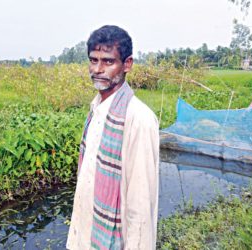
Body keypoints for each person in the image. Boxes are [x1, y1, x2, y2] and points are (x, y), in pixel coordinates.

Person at [66, 25, 160, 250]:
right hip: (87, 230)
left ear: (127, 64)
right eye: (93, 60)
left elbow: (141, 200)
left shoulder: (138, 118)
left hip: (115, 239)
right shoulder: (96, 109)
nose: (97, 69)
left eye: (108, 61)